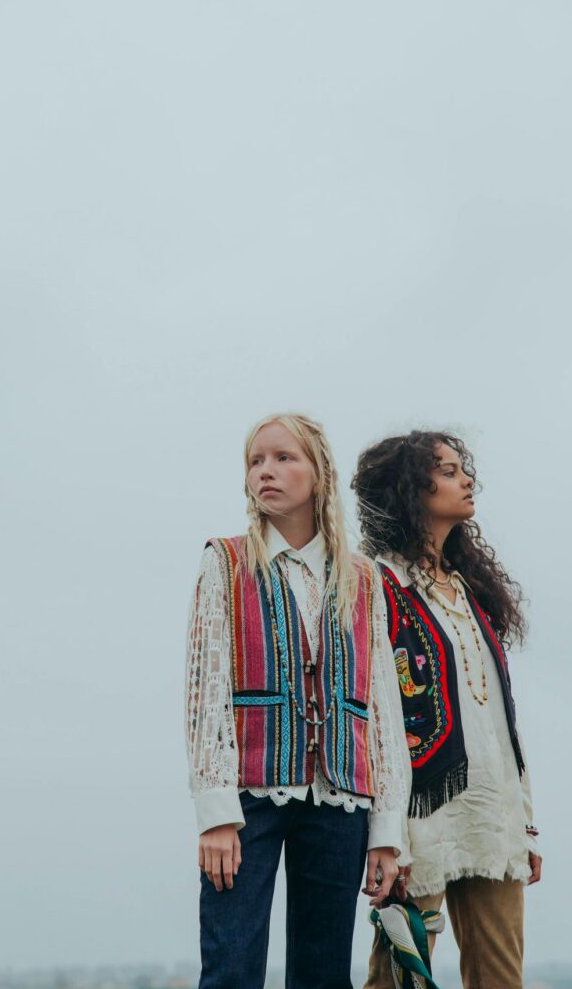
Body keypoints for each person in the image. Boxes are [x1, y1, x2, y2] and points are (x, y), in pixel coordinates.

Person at [185, 412, 412, 989]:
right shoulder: (225, 561)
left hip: (341, 795)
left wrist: (387, 830)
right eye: (255, 461)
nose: (265, 471)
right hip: (248, 798)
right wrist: (216, 813)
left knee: (324, 973)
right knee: (232, 965)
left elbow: (381, 706)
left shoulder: (362, 579)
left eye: (284, 458)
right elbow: (206, 690)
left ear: (319, 474)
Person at [351, 431, 542, 989]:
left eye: (464, 468)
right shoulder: (376, 583)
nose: (466, 479)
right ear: (410, 488)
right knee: (398, 979)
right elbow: (373, 715)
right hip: (420, 817)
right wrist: (386, 833)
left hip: (491, 815)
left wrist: (525, 824)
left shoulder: (469, 590)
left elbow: (500, 721)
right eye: (449, 470)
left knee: (501, 978)